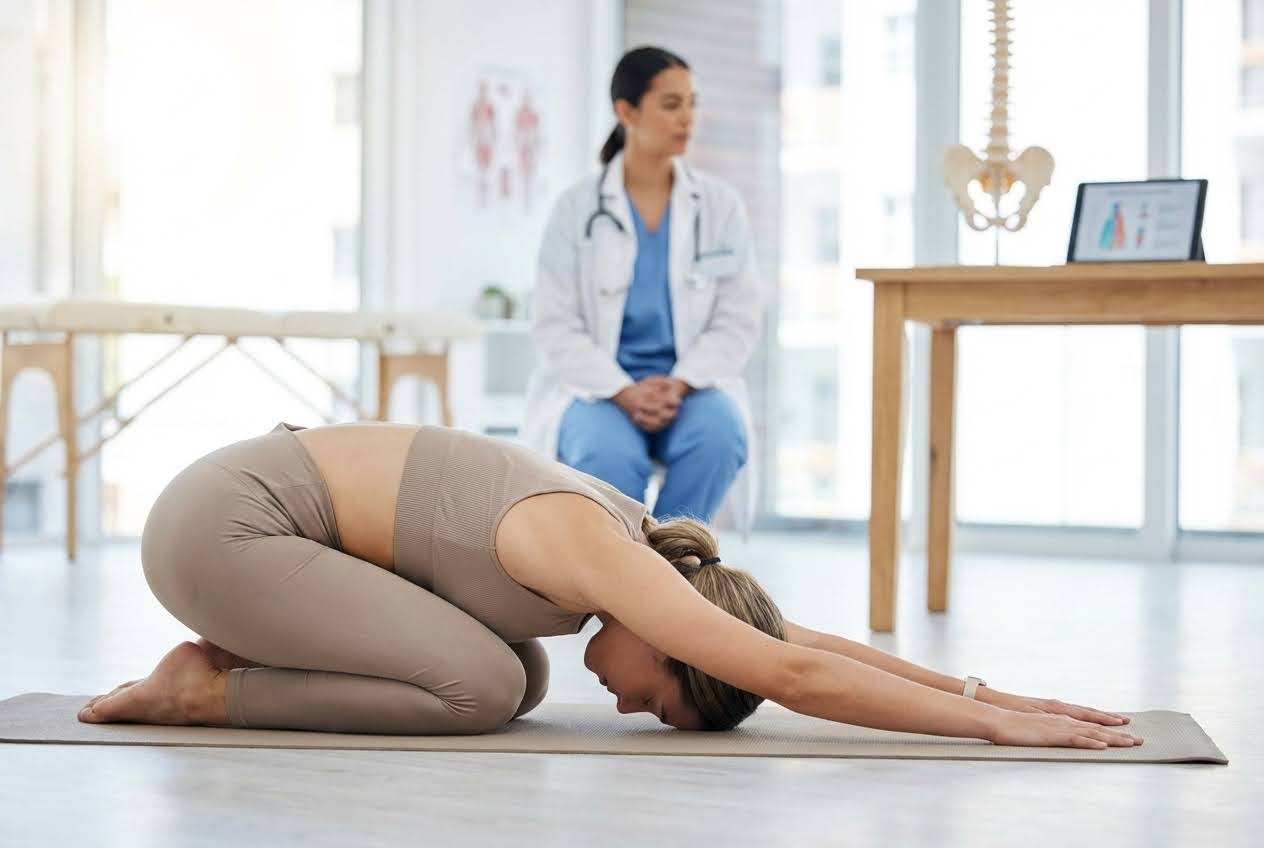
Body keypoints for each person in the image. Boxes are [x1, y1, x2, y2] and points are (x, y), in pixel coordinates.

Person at [79, 421, 1143, 751]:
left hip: (247, 523)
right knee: (482, 685)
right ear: (678, 634)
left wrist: (982, 693)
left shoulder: (653, 559)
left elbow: (788, 635)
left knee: (519, 673)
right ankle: (199, 689)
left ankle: (237, 664)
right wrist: (995, 739)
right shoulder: (596, 551)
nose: (632, 704)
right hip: (223, 529)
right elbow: (788, 665)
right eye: (664, 696)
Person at [524, 47, 762, 528]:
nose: (688, 118)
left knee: (719, 438)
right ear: (626, 111)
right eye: (671, 105)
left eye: (692, 103)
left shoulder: (719, 207)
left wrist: (679, 382)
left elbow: (738, 317)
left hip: (690, 385)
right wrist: (623, 390)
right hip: (599, 388)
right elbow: (555, 324)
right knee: (605, 458)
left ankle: (675, 572)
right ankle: (627, 581)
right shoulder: (575, 209)